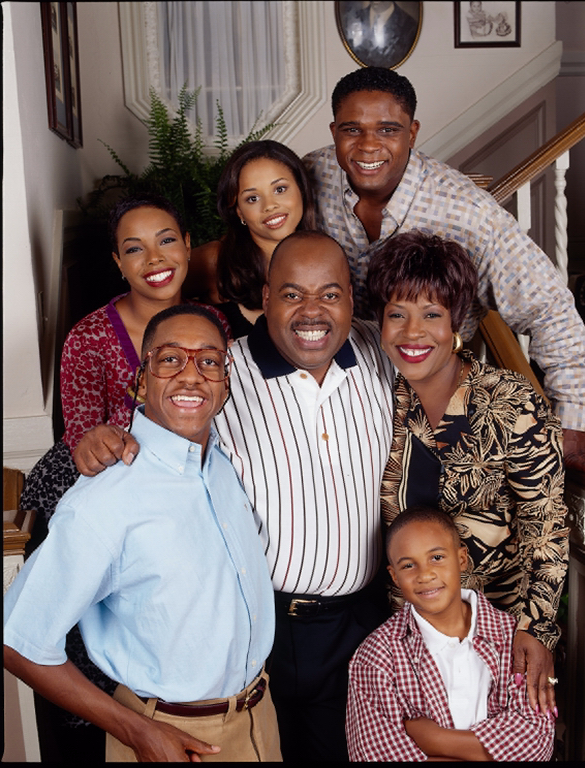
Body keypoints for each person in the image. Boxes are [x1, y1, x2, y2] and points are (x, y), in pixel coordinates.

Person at [71, 230, 396, 763]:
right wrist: (102, 437)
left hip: (364, 619)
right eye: (292, 294)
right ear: (265, 298)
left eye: (330, 294)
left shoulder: (377, 354)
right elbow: (159, 432)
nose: (312, 312)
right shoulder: (222, 373)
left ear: (351, 300)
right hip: (262, 628)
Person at [302, 65, 585, 488]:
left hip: (433, 404)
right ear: (334, 130)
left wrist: (572, 427)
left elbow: (551, 312)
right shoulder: (311, 176)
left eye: (388, 130)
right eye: (351, 129)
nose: (368, 146)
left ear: (412, 133)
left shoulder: (469, 215)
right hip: (335, 392)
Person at [4, 305, 281, 762]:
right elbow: (17, 639)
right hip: (170, 735)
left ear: (226, 383)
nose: (192, 376)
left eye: (209, 361)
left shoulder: (224, 464)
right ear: (140, 379)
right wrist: (137, 732)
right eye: (170, 359)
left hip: (258, 717)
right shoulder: (106, 500)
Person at [18, 192, 229, 761]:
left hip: (186, 496)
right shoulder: (88, 338)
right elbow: (86, 437)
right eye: (133, 249)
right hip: (105, 489)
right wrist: (102, 442)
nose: (153, 258)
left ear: (188, 246)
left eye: (166, 240)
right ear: (117, 263)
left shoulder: (216, 322)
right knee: (90, 644)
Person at [367, 230, 568, 716]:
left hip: (501, 634)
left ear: (457, 322)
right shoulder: (379, 398)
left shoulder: (508, 401)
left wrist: (536, 630)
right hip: (408, 639)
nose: (413, 332)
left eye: (432, 314)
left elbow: (547, 527)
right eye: (398, 314)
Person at [346, 506, 555, 761]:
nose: (425, 574)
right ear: (395, 577)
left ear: (462, 558)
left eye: (436, 557)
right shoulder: (376, 657)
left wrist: (434, 739)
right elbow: (375, 756)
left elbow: (536, 745)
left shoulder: (511, 638)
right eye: (409, 565)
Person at [184, 139, 317, 338]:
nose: (270, 206)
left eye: (280, 189)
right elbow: (144, 300)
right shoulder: (214, 260)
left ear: (301, 189)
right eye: (252, 198)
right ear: (239, 211)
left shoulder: (325, 258)